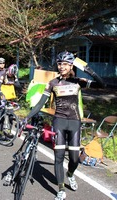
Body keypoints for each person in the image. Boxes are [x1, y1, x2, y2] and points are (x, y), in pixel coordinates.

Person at [22, 51, 105, 200]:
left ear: (71, 65)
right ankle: (60, 189)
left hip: (74, 122)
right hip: (59, 121)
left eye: (65, 64)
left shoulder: (78, 81)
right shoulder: (53, 83)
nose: (61, 67)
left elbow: (102, 84)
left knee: (74, 159)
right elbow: (41, 103)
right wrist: (27, 117)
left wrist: (87, 69)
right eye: (60, 64)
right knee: (58, 157)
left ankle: (70, 174)